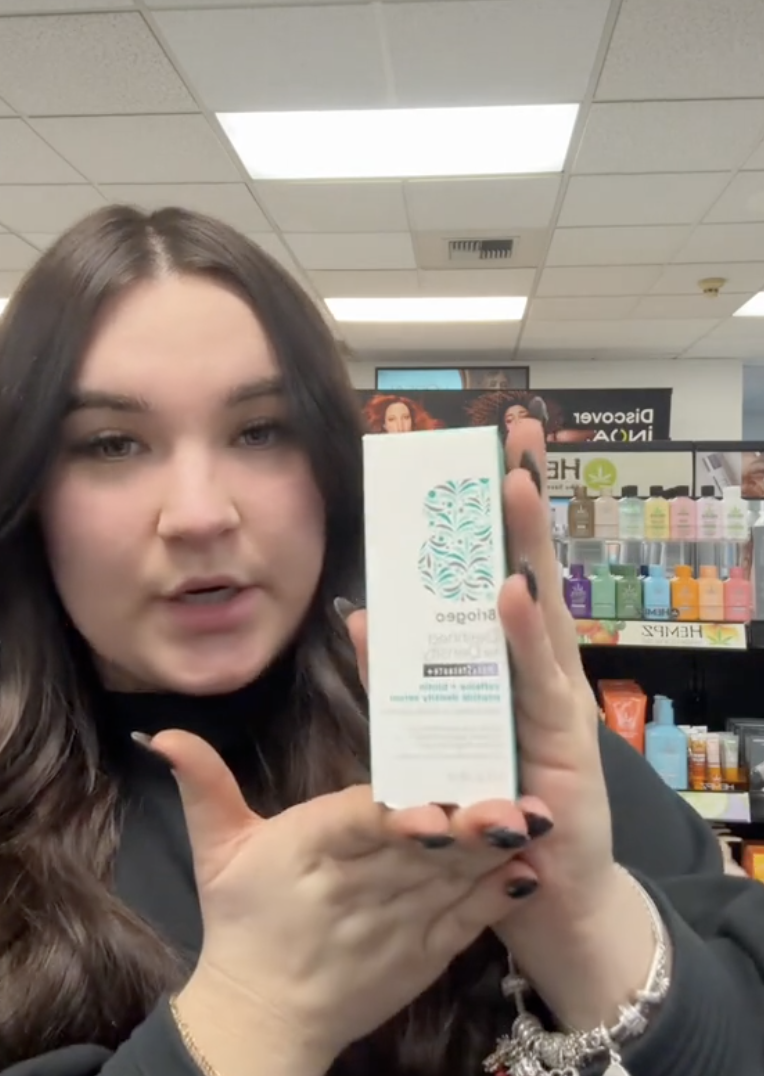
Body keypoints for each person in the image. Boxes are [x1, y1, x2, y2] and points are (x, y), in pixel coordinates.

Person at [0, 205, 762, 1076]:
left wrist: (585, 923)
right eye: (112, 443)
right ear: (29, 490)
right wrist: (249, 1021)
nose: (202, 513)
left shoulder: (502, 731)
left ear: (330, 468)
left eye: (259, 430)